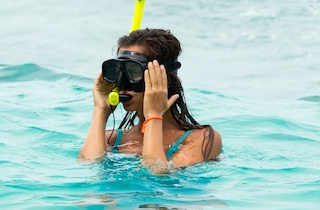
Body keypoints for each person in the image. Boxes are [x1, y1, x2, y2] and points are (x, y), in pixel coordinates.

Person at [78, 28, 222, 172]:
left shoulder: (201, 138)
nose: (122, 82)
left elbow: (154, 174)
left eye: (134, 72)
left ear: (163, 78)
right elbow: (89, 167)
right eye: (118, 71)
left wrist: (153, 116)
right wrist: (100, 110)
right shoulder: (112, 139)